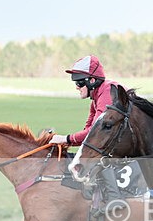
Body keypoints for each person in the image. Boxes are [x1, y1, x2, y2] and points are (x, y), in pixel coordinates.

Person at [49, 54, 124, 208]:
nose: (76, 87)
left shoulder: (107, 93)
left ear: (92, 81)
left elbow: (95, 134)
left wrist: (66, 139)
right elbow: (88, 132)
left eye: (79, 82)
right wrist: (69, 142)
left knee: (99, 152)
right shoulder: (96, 97)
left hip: (132, 138)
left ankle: (115, 199)